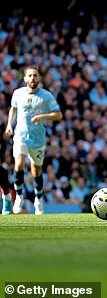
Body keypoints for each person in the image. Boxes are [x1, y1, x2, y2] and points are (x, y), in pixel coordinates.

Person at [4, 66, 63, 215]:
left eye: (35, 76)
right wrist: (9, 125)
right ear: (24, 78)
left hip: (38, 140)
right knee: (18, 164)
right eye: (29, 76)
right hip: (20, 136)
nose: (32, 78)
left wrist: (42, 117)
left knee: (36, 170)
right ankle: (19, 197)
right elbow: (13, 108)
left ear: (39, 78)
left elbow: (58, 115)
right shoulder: (18, 93)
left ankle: (38, 200)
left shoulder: (46, 96)